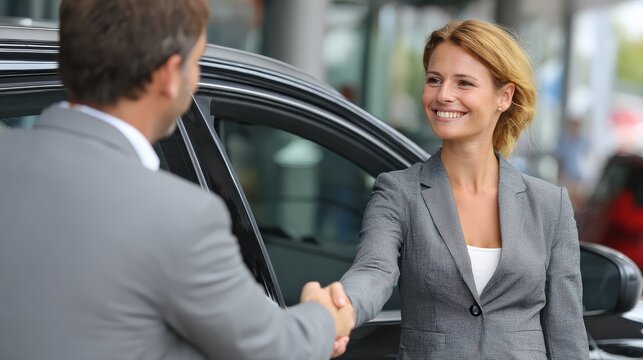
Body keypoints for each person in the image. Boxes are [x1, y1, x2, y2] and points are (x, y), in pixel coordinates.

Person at [0, 0, 353, 359]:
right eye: (196, 62)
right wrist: (324, 317)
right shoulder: (182, 216)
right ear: (170, 75)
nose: (196, 78)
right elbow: (273, 348)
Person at [336, 19, 588, 359]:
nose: (443, 95)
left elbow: (566, 334)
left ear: (504, 96)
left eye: (464, 83)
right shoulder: (398, 191)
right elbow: (374, 271)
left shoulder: (549, 204)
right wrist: (340, 308)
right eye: (434, 80)